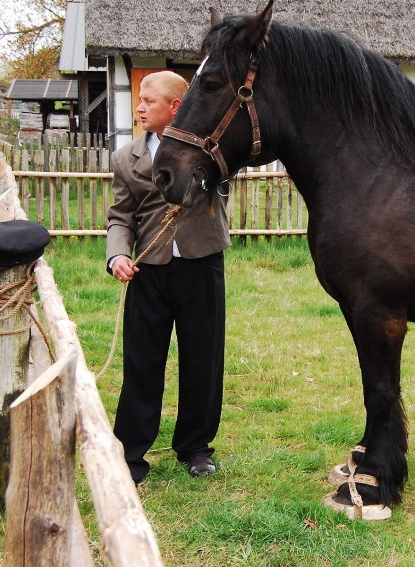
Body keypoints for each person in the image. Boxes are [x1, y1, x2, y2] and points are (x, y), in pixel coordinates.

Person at [106, 71, 231, 484]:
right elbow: (120, 217)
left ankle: (195, 449)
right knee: (142, 363)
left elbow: (230, 170)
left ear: (176, 107)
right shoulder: (127, 158)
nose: (139, 107)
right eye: (138, 100)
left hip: (201, 265)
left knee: (202, 360)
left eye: (149, 101)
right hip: (149, 271)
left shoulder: (208, 150)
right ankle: (131, 455)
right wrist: (118, 255)